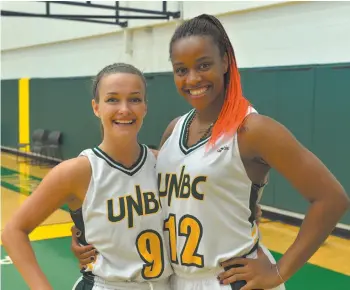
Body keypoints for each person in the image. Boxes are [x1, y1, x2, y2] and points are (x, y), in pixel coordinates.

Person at [72, 14, 349, 290]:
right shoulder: (174, 130)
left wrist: (278, 273)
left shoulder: (252, 129)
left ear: (226, 62)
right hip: (177, 281)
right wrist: (90, 234)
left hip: (228, 281)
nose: (192, 79)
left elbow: (331, 198)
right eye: (181, 70)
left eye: (203, 65)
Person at [1, 63, 173, 290]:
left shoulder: (164, 163)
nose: (124, 109)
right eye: (112, 99)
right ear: (96, 107)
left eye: (134, 99)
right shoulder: (77, 171)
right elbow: (13, 231)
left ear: (145, 107)